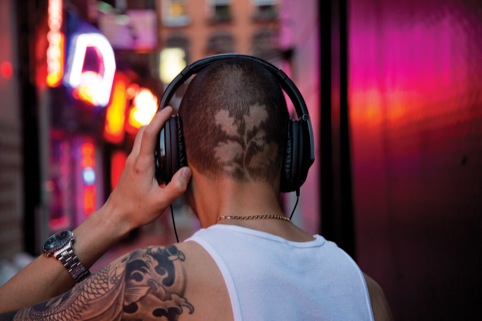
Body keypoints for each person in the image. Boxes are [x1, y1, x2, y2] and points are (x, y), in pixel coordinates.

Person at [0, 56, 393, 320]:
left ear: (173, 157)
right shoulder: (367, 292)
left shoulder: (155, 280)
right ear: (293, 154)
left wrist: (114, 217)